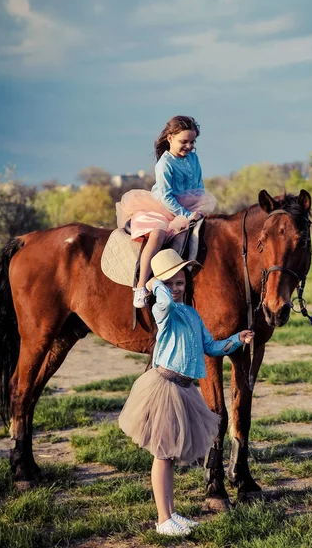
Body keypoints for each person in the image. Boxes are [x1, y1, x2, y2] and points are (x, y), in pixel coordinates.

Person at [118, 249, 255, 536]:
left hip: (184, 389)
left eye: (180, 283)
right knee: (162, 454)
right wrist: (154, 282)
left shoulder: (192, 314)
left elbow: (211, 347)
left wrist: (236, 339)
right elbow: (165, 300)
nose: (176, 288)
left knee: (168, 456)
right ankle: (163, 519)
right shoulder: (163, 310)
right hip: (164, 386)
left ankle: (171, 514)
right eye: (170, 283)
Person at [116, 115, 217, 308]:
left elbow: (198, 186)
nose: (188, 146)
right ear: (170, 138)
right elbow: (165, 197)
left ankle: (180, 282)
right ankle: (141, 286)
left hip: (189, 207)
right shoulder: (165, 164)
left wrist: (199, 208)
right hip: (163, 208)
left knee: (192, 236)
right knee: (158, 234)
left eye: (192, 142)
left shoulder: (193, 158)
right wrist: (186, 215)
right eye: (183, 141)